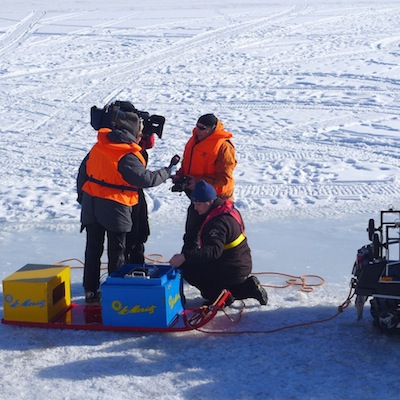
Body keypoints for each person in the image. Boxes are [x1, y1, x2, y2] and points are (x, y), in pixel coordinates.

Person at [77, 103, 176, 303]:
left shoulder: (99, 146)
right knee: (117, 251)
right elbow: (146, 179)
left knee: (93, 250)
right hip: (115, 208)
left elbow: (83, 174)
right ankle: (117, 292)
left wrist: (83, 198)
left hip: (91, 205)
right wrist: (168, 171)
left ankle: (90, 291)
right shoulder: (126, 155)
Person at [169, 180, 268, 306]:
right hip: (238, 262)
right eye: (194, 204)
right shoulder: (223, 208)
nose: (195, 208)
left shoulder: (217, 223)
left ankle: (226, 295)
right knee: (196, 265)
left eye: (198, 204)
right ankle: (248, 286)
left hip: (232, 267)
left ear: (209, 201)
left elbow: (213, 252)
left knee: (190, 271)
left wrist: (184, 257)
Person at [171, 113, 237, 250]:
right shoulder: (195, 139)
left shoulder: (224, 147)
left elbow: (224, 178)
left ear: (212, 129)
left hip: (217, 200)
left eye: (202, 128)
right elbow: (187, 163)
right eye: (197, 127)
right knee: (191, 235)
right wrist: (180, 176)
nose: (198, 130)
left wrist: (198, 181)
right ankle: (189, 265)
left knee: (212, 239)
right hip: (198, 197)